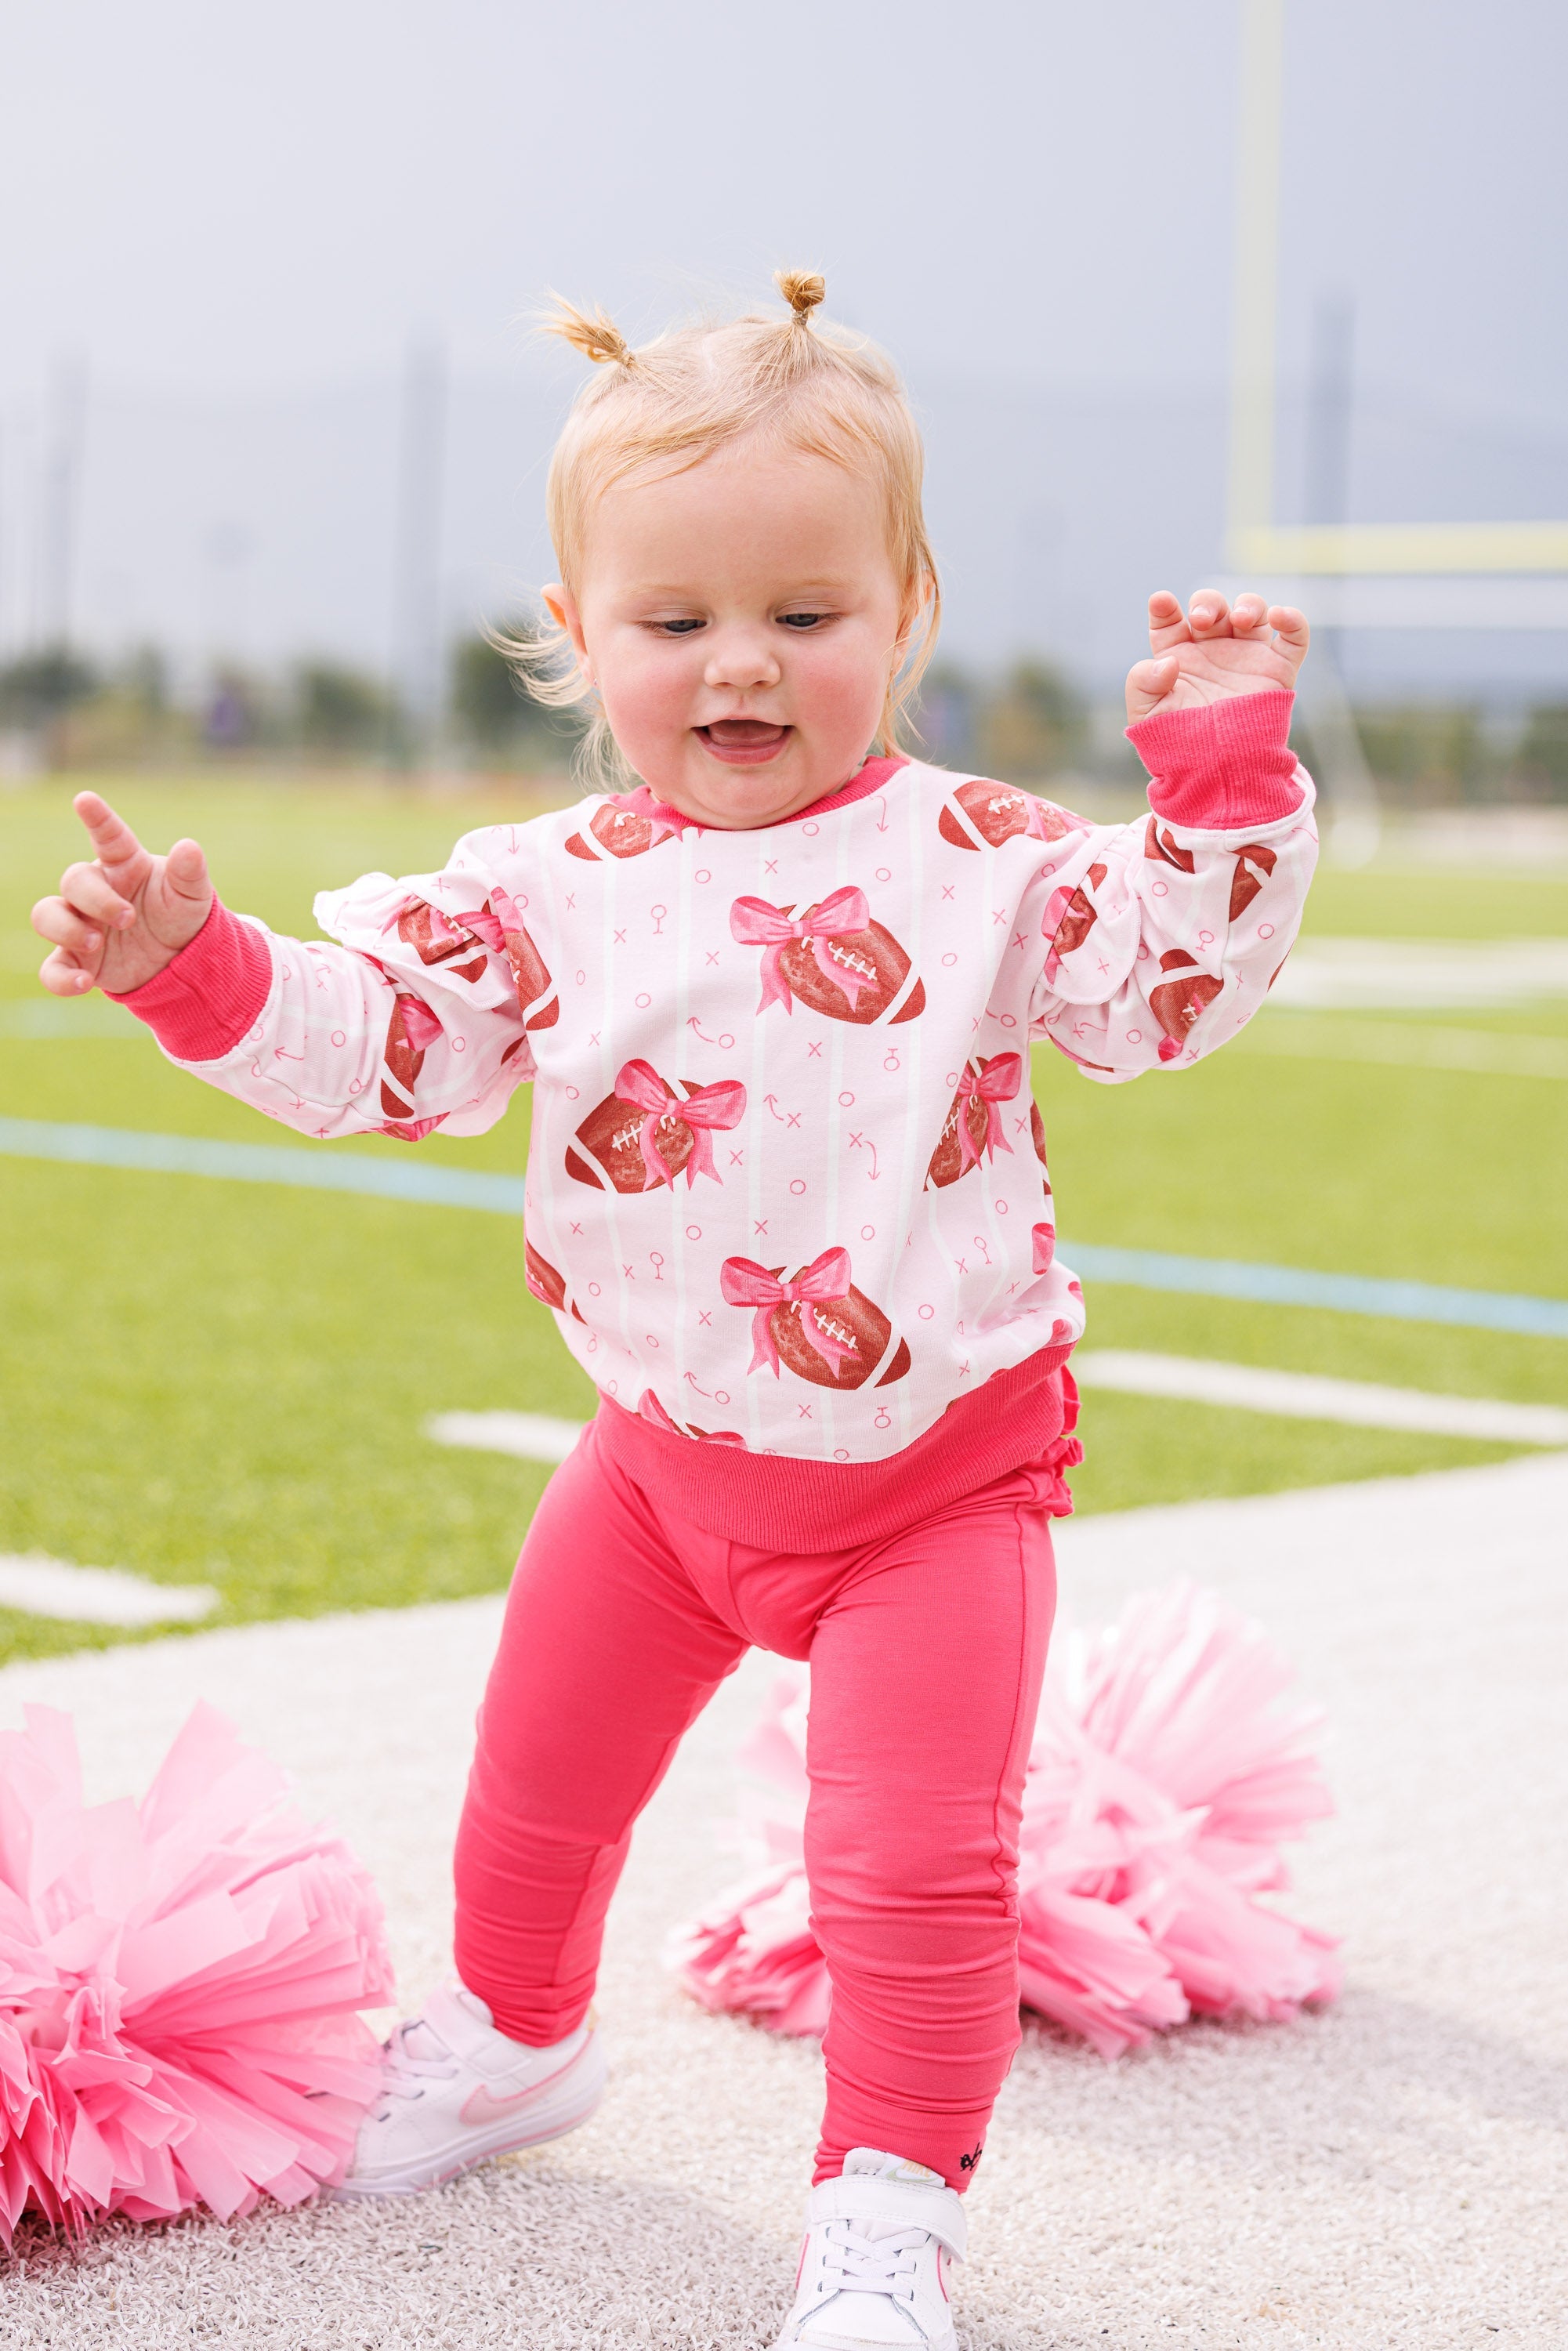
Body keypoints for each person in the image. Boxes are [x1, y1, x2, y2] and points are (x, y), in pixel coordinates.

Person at [31, 272, 1315, 2351]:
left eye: (806, 616)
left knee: (910, 1874)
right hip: (652, 1471)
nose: (742, 661)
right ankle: (518, 2043)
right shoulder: (542, 884)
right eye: (675, 622)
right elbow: (382, 1048)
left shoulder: (984, 855)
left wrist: (1220, 786)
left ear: (904, 611)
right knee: (530, 1795)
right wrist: (200, 967)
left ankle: (886, 2212)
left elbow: (1159, 997)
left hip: (932, 1486)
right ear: (577, 636)